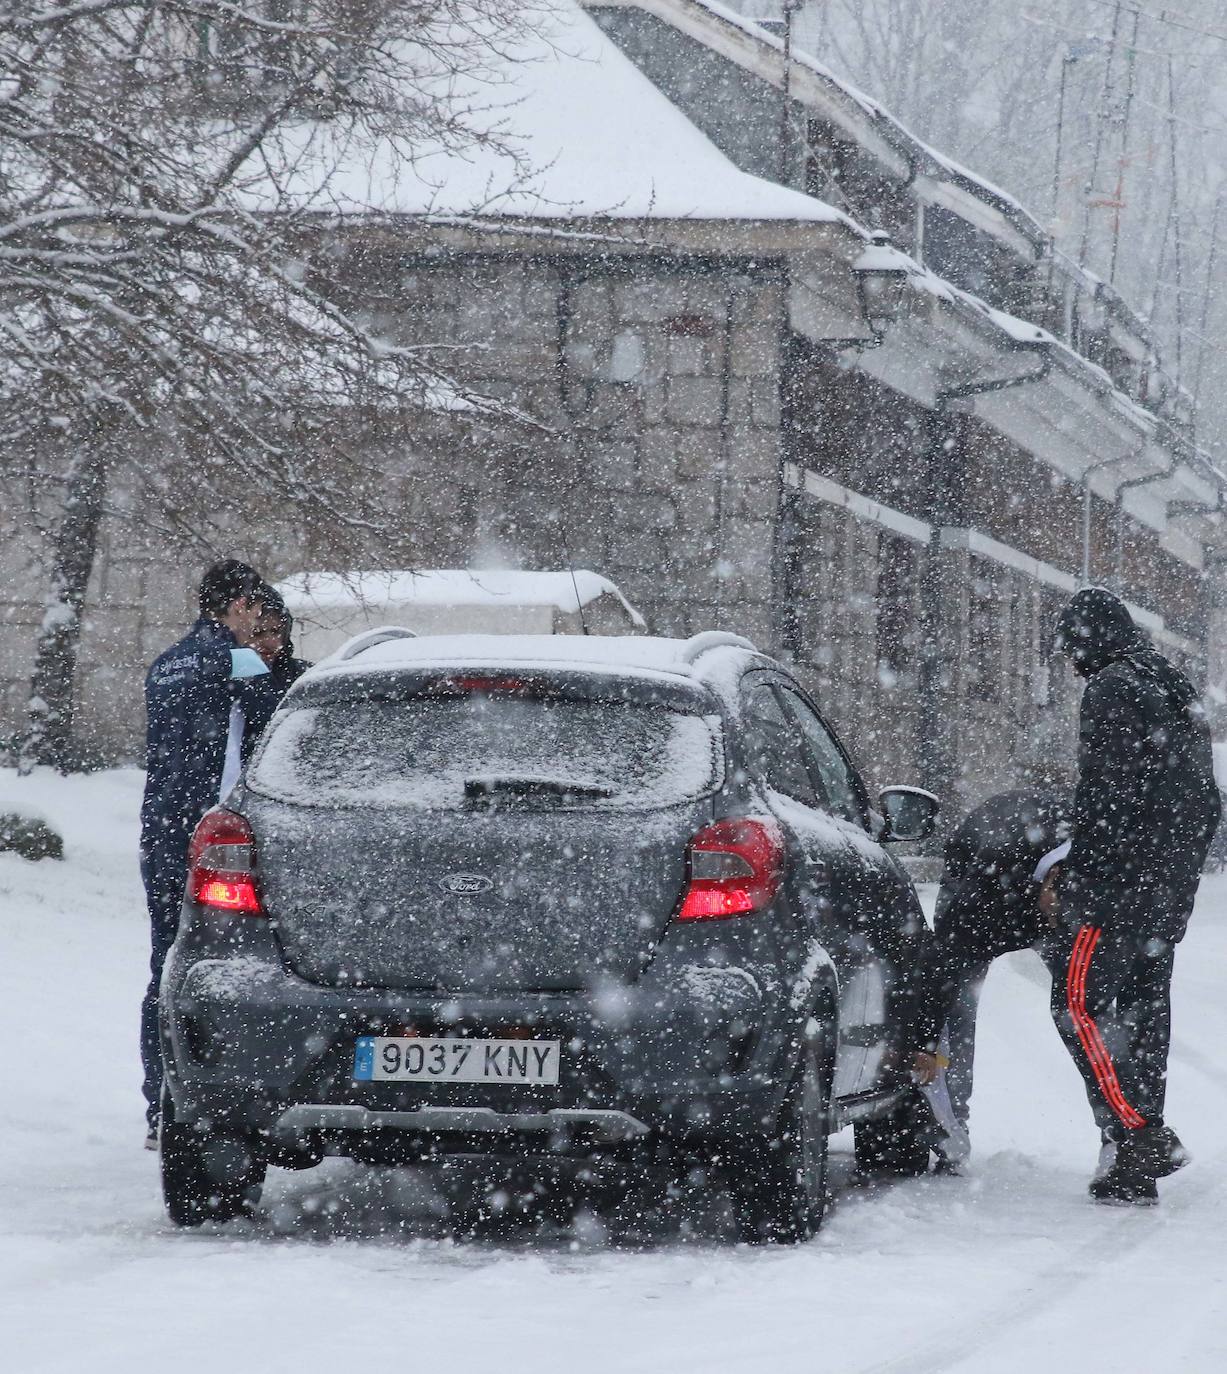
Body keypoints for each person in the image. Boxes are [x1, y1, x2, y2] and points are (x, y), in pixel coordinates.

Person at [1047, 586, 1221, 1204]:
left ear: (1088, 640)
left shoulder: (1114, 687)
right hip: (1164, 895)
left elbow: (1106, 796)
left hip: (1114, 891)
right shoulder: (1173, 686)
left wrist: (1080, 873)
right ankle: (1132, 1165)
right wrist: (1174, 883)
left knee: (1075, 1006)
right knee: (1146, 1022)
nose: (1070, 663)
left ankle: (1139, 1133)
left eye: (1071, 649)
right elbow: (1205, 804)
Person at [139, 560, 268, 1145]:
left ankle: (156, 1105)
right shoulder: (241, 661)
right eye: (254, 607)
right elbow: (270, 740)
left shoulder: (166, 663)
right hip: (214, 843)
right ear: (238, 604)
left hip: (161, 831)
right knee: (219, 971)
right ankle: (211, 1098)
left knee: (163, 967)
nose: (258, 618)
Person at [911, 786, 1070, 1169]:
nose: (1061, 920)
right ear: (1049, 884)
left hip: (1041, 852)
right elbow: (940, 972)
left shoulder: (1096, 873)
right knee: (960, 1001)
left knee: (1080, 1005)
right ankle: (952, 1128)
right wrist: (927, 1044)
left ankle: (1120, 1136)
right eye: (1058, 908)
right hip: (983, 868)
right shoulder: (982, 898)